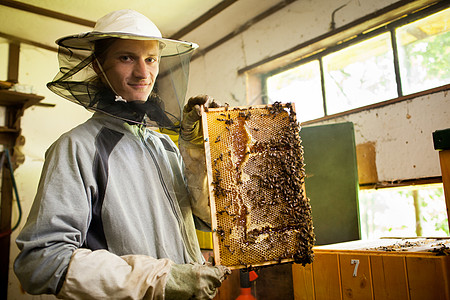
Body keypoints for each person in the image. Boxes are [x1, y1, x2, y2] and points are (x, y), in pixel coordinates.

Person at [14, 9, 230, 300]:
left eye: (151, 58)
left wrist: (193, 148)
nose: (143, 73)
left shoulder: (164, 145)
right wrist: (162, 280)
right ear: (98, 66)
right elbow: (41, 262)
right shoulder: (77, 147)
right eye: (126, 57)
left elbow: (207, 217)